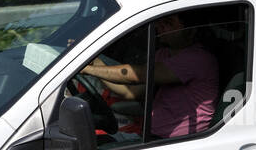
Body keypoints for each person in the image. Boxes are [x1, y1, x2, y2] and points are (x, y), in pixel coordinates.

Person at [81, 12, 219, 139]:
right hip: (152, 136)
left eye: (169, 22)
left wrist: (88, 70)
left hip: (180, 142)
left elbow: (138, 74)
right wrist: (97, 65)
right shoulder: (163, 55)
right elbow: (131, 93)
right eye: (161, 21)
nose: (160, 26)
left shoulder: (197, 59)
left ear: (191, 30)